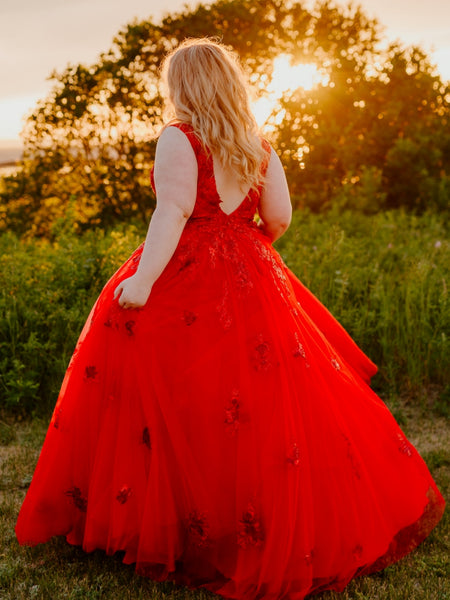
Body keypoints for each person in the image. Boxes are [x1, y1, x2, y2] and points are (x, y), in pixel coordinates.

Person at [16, 38, 445, 600]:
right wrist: (247, 247)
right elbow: (280, 217)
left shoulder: (180, 137)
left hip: (186, 272)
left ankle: (182, 522)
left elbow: (172, 210)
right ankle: (246, 520)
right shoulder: (258, 144)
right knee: (255, 401)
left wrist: (143, 281)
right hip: (254, 272)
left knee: (178, 393)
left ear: (183, 86)